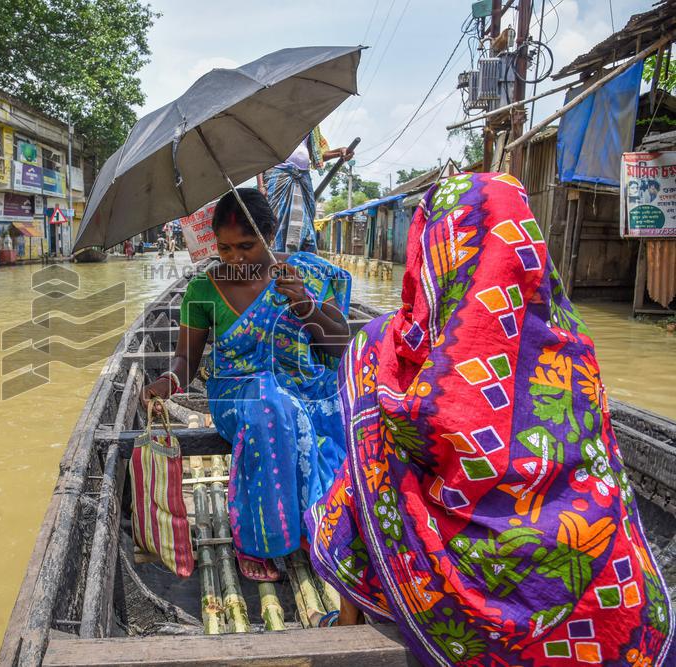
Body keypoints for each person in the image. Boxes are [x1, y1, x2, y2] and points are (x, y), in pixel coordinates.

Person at [306, 172, 673, 664]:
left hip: (442, 589)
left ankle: (349, 623)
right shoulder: (574, 347)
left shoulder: (388, 352)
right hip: (604, 609)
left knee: (363, 475)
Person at [141, 188, 352, 582]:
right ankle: (258, 539)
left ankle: (316, 521)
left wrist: (304, 304)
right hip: (235, 391)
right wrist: (167, 382)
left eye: (246, 246)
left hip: (302, 385)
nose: (235, 258)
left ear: (269, 236)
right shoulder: (203, 289)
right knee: (269, 405)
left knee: (345, 406)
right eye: (225, 248)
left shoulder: (305, 274)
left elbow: (341, 345)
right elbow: (186, 359)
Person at [262, 126, 353, 253]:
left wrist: (340, 152)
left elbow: (318, 155)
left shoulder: (309, 125)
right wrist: (261, 185)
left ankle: (299, 257)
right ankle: (275, 255)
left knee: (305, 222)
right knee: (277, 219)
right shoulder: (275, 120)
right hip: (278, 175)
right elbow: (259, 153)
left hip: (303, 177)